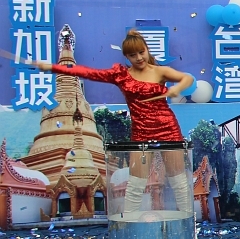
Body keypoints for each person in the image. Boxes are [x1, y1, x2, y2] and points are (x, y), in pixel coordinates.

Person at [34, 29, 195, 216]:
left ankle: (187, 220)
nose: (139, 58)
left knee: (178, 181)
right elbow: (89, 73)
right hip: (141, 131)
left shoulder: (160, 71)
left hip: (167, 128)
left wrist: (177, 89)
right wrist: (53, 67)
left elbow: (188, 78)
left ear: (147, 50)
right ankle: (130, 225)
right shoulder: (121, 75)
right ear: (126, 56)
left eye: (141, 52)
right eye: (133, 55)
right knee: (135, 184)